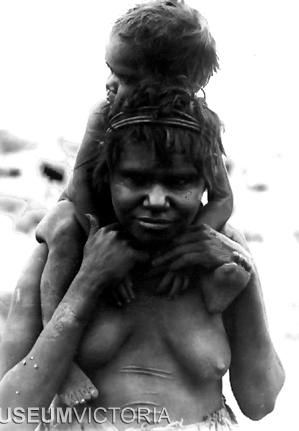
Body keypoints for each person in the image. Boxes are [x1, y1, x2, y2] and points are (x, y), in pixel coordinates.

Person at [0, 84, 284, 430]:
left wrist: (244, 269)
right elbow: (11, 416)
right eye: (136, 179)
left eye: (179, 182)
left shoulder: (219, 253)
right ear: (107, 177)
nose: (157, 200)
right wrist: (88, 282)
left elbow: (260, 401)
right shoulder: (65, 246)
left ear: (206, 184)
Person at [36, 0, 235, 404]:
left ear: (171, 84)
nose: (109, 83)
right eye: (109, 69)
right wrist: (102, 244)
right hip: (93, 208)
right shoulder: (103, 113)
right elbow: (79, 186)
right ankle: (59, 356)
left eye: (124, 76)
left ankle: (217, 300)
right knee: (61, 233)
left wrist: (190, 244)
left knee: (223, 252)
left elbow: (222, 198)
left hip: (156, 217)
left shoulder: (198, 126)